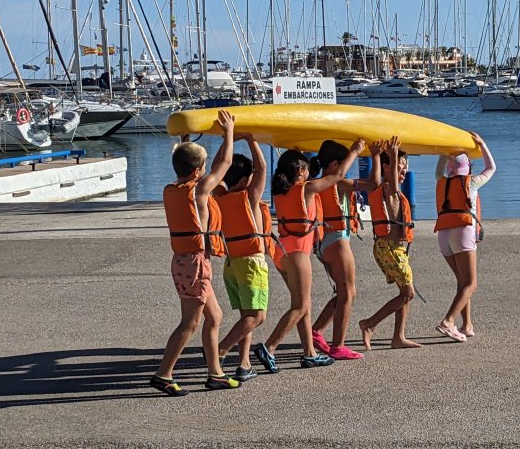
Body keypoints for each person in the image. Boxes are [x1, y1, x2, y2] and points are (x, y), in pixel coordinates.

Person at [254, 140, 365, 373]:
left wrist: (298, 148)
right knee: (300, 306)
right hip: (297, 253)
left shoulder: (280, 189)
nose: (309, 172)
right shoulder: (307, 189)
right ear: (300, 172)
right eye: (305, 169)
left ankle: (309, 353)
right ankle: (269, 347)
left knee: (304, 305)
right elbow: (339, 174)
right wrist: (355, 151)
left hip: (281, 252)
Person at [151, 110, 241, 396]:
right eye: (202, 167)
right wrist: (229, 132)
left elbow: (185, 161)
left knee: (214, 317)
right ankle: (164, 374)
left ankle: (215, 373)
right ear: (198, 171)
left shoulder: (173, 188)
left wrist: (185, 138)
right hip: (194, 264)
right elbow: (225, 163)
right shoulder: (198, 191)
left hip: (185, 261)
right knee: (190, 323)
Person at [309, 140, 385, 360]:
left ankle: (316, 331)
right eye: (344, 163)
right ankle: (338, 345)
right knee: (348, 293)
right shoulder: (338, 182)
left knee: (345, 292)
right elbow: (374, 183)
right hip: (337, 241)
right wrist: (375, 155)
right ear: (334, 164)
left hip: (324, 243)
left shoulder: (315, 182)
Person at [212, 134, 272, 382]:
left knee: (246, 315)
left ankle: (244, 363)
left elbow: (217, 168)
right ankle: (219, 351)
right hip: (251, 262)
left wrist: (227, 140)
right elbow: (262, 167)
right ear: (246, 179)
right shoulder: (250, 197)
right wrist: (250, 139)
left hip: (232, 263)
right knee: (257, 316)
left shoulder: (218, 194)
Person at [359, 136, 421, 350]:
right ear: (388, 167)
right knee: (408, 293)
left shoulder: (383, 187)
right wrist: (394, 155)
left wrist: (376, 154)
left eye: (405, 169)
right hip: (390, 249)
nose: (403, 172)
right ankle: (369, 324)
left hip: (392, 249)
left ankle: (398, 337)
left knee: (403, 293)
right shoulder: (388, 189)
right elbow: (393, 182)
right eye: (399, 168)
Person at [433, 132, 496, 341]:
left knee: (462, 282)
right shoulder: (472, 183)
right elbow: (492, 168)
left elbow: (439, 168)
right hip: (462, 231)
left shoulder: (440, 181)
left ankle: (467, 325)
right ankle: (448, 321)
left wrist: (445, 150)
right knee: (471, 284)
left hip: (443, 234)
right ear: (466, 167)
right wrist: (483, 144)